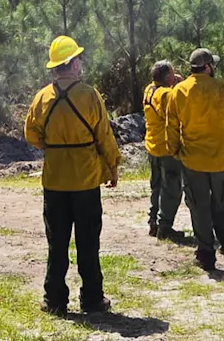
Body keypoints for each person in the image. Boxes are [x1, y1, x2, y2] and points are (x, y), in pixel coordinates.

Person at [25, 36, 122, 315]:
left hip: (55, 180)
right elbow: (104, 135)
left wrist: (53, 146)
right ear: (72, 63)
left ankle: (54, 300)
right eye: (78, 58)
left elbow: (31, 134)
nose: (81, 62)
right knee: (88, 242)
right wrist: (112, 167)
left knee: (56, 242)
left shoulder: (42, 97)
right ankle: (92, 299)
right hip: (86, 179)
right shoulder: (89, 95)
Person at [166, 48, 224, 271]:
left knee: (199, 207)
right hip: (220, 160)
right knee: (222, 205)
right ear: (208, 67)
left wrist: (175, 151)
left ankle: (206, 255)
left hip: (193, 161)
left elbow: (171, 126)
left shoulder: (179, 91)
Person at [143, 60, 187, 243]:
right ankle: (165, 228)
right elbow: (179, 110)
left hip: (152, 146)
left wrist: (173, 83)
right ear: (167, 76)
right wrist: (181, 84)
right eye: (172, 73)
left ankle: (153, 223)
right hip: (167, 149)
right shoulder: (167, 94)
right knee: (172, 189)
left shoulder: (149, 90)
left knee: (156, 187)